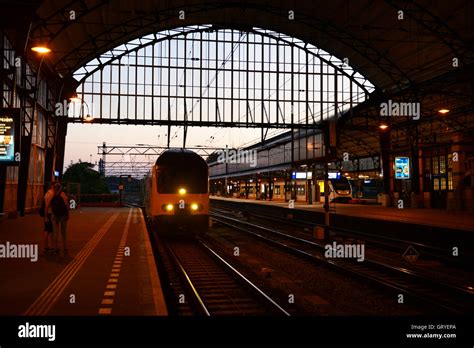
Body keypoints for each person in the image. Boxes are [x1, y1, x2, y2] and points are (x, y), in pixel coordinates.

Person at [48, 183, 70, 256]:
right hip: (63, 215)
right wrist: (67, 214)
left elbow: (48, 205)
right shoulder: (63, 195)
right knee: (63, 232)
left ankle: (55, 248)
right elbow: (66, 205)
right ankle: (65, 248)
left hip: (54, 215)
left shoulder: (51, 195)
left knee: (55, 232)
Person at [40, 183, 54, 254]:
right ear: (52, 186)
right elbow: (47, 206)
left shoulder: (46, 193)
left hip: (47, 214)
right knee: (51, 231)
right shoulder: (52, 194)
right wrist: (46, 216)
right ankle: (51, 246)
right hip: (49, 214)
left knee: (46, 230)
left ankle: (46, 246)